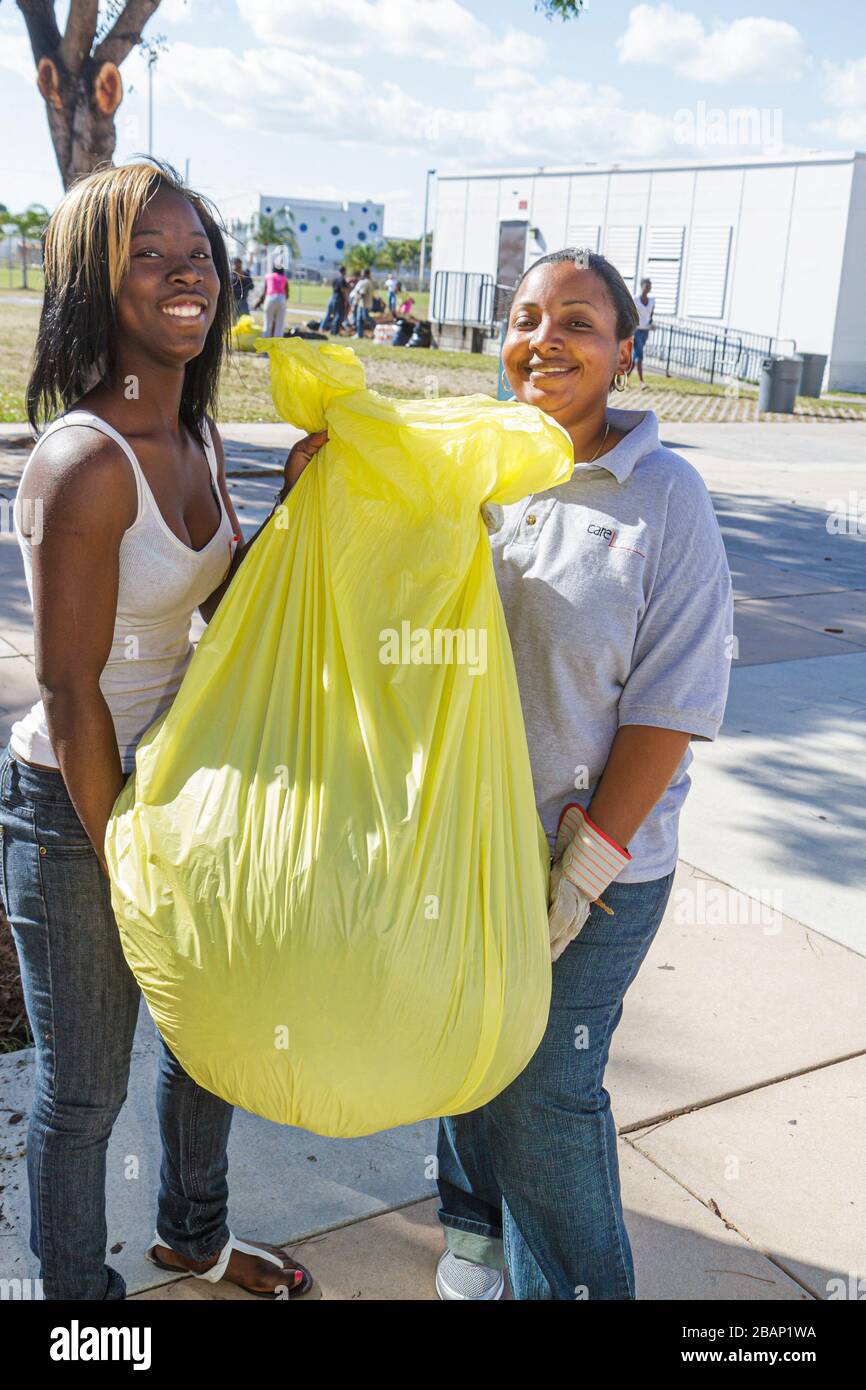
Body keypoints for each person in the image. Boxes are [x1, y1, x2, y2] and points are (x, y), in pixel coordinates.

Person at [0, 159, 325, 1300]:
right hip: (78, 801)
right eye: (149, 252)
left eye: (199, 252)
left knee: (208, 1041)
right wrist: (123, 849)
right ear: (95, 280)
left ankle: (194, 1235)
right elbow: (72, 688)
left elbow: (221, 619)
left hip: (182, 788)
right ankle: (77, 1309)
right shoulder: (83, 461)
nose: (185, 273)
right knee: (84, 1094)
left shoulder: (193, 436)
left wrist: (297, 504)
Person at [434, 248, 733, 1301]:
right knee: (464, 1035)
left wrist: (584, 864)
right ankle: (471, 1228)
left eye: (576, 321)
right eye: (524, 318)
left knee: (546, 1088)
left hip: (596, 865)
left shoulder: (664, 498)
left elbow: (671, 706)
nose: (543, 339)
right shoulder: (476, 466)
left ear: (622, 352)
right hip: (465, 845)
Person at [630, 276, 655, 388]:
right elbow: (630, 313)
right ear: (642, 286)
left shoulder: (652, 301)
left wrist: (652, 323)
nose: (648, 288)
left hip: (646, 331)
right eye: (646, 286)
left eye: (650, 286)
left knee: (635, 356)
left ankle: (623, 377)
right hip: (636, 330)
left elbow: (650, 316)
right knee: (640, 355)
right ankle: (641, 382)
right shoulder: (635, 299)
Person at [254, 261, 289, 338]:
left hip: (270, 298)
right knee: (280, 324)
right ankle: (277, 345)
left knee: (267, 324)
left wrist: (258, 303)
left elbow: (264, 293)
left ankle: (265, 343)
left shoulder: (268, 276)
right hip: (281, 298)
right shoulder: (284, 278)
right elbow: (287, 294)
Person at [321, 263, 348, 336]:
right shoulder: (342, 280)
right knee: (339, 315)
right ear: (344, 271)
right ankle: (335, 331)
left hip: (333, 297)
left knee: (336, 315)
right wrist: (346, 298)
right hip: (339, 298)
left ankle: (333, 330)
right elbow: (343, 290)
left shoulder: (335, 279)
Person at [351, 269, 374, 338]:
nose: (361, 274)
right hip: (363, 304)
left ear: (365, 274)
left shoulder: (365, 282)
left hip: (364, 304)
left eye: (362, 273)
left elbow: (362, 294)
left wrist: (354, 303)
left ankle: (376, 327)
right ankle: (359, 334)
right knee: (359, 319)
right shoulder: (369, 281)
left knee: (366, 318)